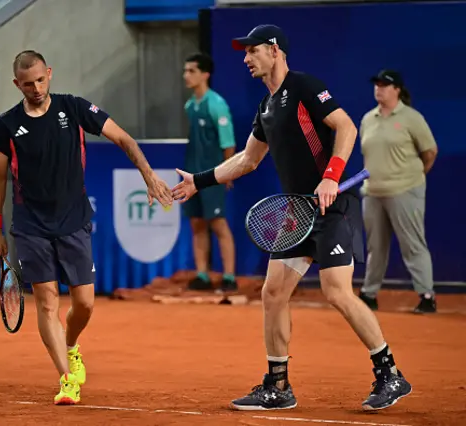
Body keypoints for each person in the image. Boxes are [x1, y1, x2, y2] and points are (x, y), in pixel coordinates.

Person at [172, 25, 412, 411]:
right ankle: (278, 385)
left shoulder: (303, 87)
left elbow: (345, 126)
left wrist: (332, 175)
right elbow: (248, 159)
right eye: (245, 53)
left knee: (336, 291)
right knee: (272, 294)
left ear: (274, 51)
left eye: (252, 51)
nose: (246, 59)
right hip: (296, 211)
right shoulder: (266, 107)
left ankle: (389, 373)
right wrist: (200, 182)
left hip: (329, 207)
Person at [0, 50, 172, 406]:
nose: (36, 88)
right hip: (30, 225)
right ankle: (67, 378)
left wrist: (149, 176)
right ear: (17, 84)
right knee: (46, 302)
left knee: (84, 304)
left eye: (41, 80)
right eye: (28, 84)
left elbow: (123, 139)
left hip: (73, 220)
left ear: (50, 74)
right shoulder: (7, 124)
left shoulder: (73, 108)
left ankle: (71, 345)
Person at [358, 70, 438, 314]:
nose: (379, 88)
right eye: (377, 84)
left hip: (405, 189)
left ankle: (427, 296)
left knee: (412, 244)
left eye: (385, 85)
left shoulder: (411, 118)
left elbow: (430, 152)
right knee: (375, 247)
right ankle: (369, 294)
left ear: (397, 90)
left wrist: (413, 177)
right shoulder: (368, 119)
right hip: (373, 192)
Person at [182, 53, 237, 292]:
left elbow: (229, 143)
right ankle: (202, 274)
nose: (186, 75)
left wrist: (227, 172)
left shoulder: (216, 104)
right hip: (192, 174)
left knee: (218, 223)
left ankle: (229, 276)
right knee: (197, 224)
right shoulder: (189, 105)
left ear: (205, 74)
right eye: (185, 71)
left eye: (191, 71)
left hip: (213, 175)